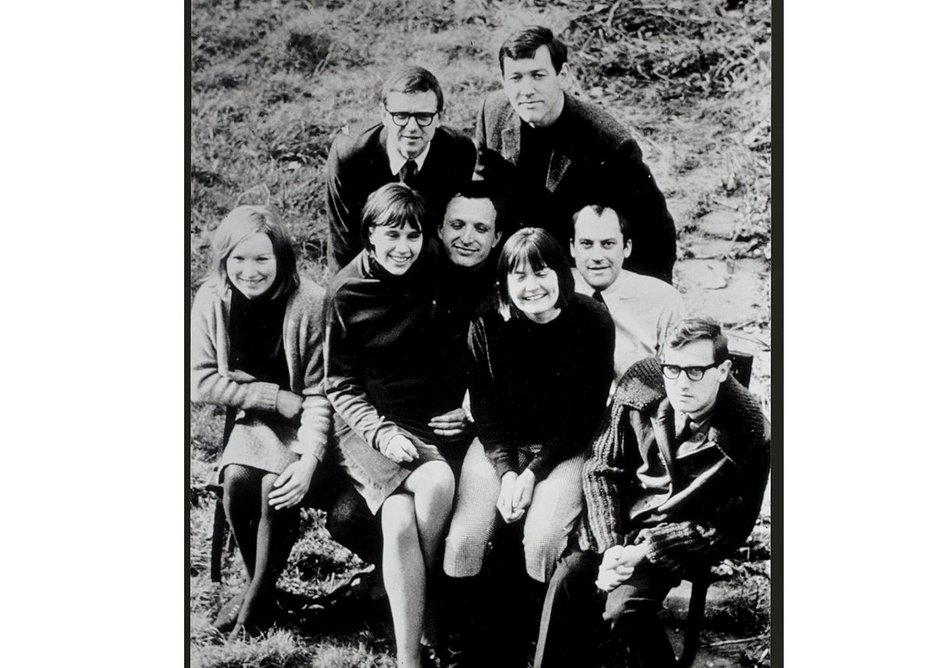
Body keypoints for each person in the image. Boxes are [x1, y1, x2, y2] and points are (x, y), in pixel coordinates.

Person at [533, 317, 771, 668]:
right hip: (617, 523)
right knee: (567, 581)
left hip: (674, 534)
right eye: (672, 369)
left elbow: (729, 528)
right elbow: (602, 467)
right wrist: (612, 545)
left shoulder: (750, 430)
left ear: (723, 370)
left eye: (695, 371)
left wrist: (644, 551)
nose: (680, 383)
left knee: (625, 610)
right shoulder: (639, 385)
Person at [324, 183, 468, 668]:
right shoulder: (345, 292)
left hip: (419, 415)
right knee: (438, 480)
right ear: (369, 235)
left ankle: (407, 657)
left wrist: (462, 405)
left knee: (401, 522)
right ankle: (429, 614)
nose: (403, 247)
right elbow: (339, 385)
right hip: (365, 424)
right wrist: (379, 431)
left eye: (412, 235)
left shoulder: (433, 270)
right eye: (391, 235)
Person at [443, 227, 614, 606]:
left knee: (543, 538)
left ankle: (538, 635)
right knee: (464, 540)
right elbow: (485, 411)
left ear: (561, 273)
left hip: (566, 448)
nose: (532, 286)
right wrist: (507, 471)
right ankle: (466, 643)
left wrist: (533, 472)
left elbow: (587, 416)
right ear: (505, 281)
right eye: (519, 276)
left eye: (541, 272)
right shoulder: (485, 323)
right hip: (500, 445)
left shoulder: (592, 321)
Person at [190, 205, 331, 639]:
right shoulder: (212, 298)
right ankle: (261, 593)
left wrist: (310, 454)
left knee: (276, 487)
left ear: (281, 259)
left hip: (307, 422)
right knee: (235, 480)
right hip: (259, 416)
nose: (249, 272)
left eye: (261, 260)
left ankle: (253, 610)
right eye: (238, 259)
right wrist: (271, 397)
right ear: (224, 260)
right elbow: (199, 381)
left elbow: (320, 394)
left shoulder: (310, 302)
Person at [474, 26, 676, 283]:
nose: (526, 90)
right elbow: (482, 192)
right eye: (516, 78)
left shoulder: (609, 143)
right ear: (503, 80)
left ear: (563, 74)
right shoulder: (492, 112)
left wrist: (642, 300)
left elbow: (655, 229)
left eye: (538, 75)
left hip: (575, 274)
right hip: (512, 265)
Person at [326, 65, 476, 272]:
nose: (412, 127)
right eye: (401, 115)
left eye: (424, 116)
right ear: (384, 115)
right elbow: (343, 241)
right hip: (371, 258)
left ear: (439, 117)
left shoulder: (459, 151)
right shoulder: (350, 154)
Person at [570, 203, 684, 387]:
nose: (597, 255)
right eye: (586, 244)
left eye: (608, 244)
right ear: (572, 248)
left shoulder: (662, 298)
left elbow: (678, 372)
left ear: (626, 247)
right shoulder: (553, 289)